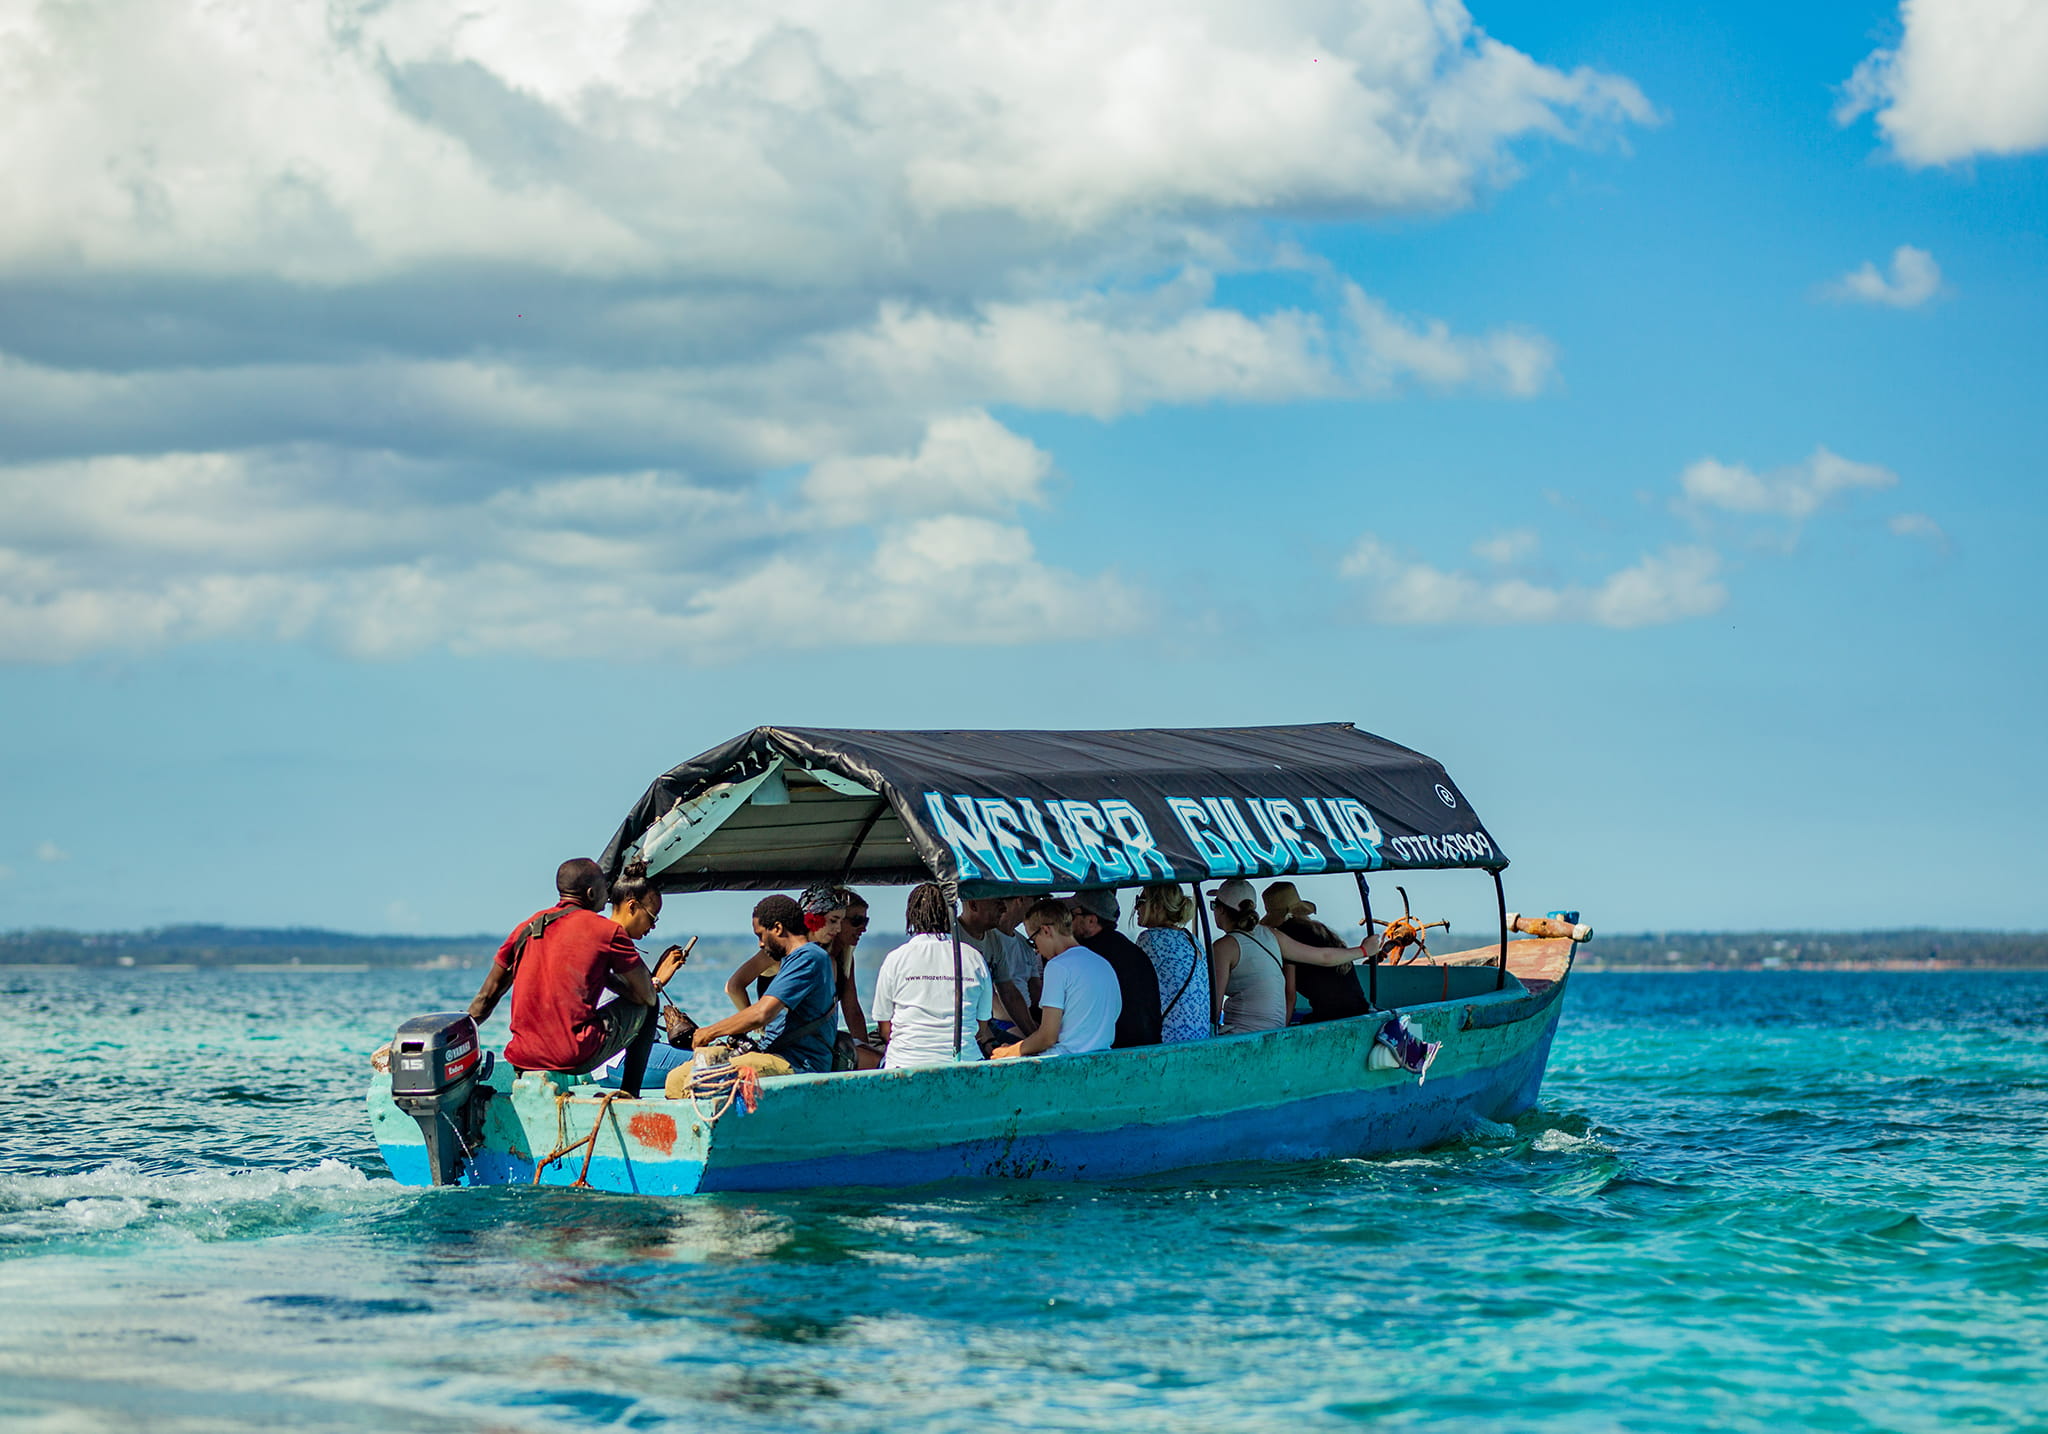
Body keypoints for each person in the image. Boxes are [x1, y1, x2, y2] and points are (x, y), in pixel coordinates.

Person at [467, 857, 660, 1095]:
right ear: (591, 893)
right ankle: (629, 1093)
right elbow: (646, 995)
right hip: (574, 1055)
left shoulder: (527, 928)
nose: (608, 894)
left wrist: (455, 1037)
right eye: (604, 887)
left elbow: (485, 999)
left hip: (522, 1058)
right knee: (651, 1004)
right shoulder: (607, 931)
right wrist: (607, 976)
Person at [689, 894, 839, 1074]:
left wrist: (708, 1032)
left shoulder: (809, 957)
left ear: (777, 928)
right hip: (775, 1054)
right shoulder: (795, 958)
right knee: (684, 1072)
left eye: (760, 935)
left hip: (797, 1063)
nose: (760, 944)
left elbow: (762, 1013)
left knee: (687, 1076)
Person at [872, 883, 1000, 1067]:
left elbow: (885, 1028)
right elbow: (981, 1025)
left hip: (904, 1063)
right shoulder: (973, 957)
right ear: (950, 914)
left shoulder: (896, 958)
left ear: (911, 915)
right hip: (964, 1062)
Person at [992, 898, 1121, 1059]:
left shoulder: (1057, 966)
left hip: (1064, 1062)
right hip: (1102, 1059)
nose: (1037, 950)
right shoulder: (1102, 964)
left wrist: (1009, 1052)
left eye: (1033, 941)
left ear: (1046, 930)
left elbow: (1047, 1037)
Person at [1262, 880, 1371, 1023]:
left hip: (1331, 1016)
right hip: (1360, 1010)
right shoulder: (1319, 930)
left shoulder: (1287, 936)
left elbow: (1290, 995)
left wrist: (1281, 1028)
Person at [1065, 889, 1162, 1048]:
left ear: (1091, 921)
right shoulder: (1131, 951)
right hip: (1147, 1047)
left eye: (1072, 915)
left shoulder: (1087, 956)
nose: (1067, 921)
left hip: (1113, 1050)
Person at [1133, 882, 1210, 1043]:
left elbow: (1135, 991)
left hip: (1169, 1039)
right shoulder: (1191, 939)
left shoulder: (1151, 939)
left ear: (1157, 907)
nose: (1136, 908)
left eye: (1140, 901)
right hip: (1200, 1038)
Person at [957, 897, 1037, 1037]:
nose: (1004, 909)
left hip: (985, 1026)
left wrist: (1034, 1035)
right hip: (961, 1030)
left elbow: (1009, 992)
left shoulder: (994, 939)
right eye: (997, 903)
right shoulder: (952, 938)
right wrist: (986, 1038)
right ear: (973, 904)